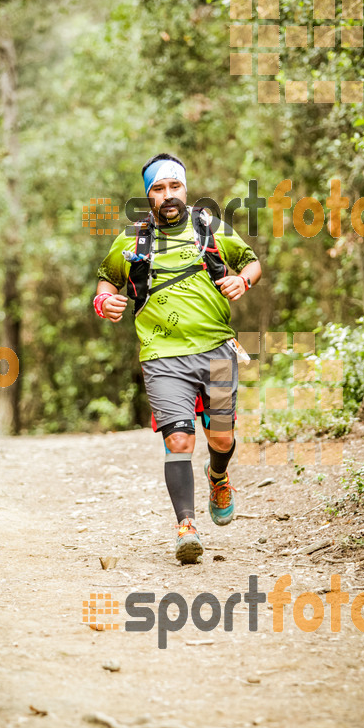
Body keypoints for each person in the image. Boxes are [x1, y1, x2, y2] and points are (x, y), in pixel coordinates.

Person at [94, 153, 261, 563]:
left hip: (218, 348)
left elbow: (251, 263)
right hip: (162, 354)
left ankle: (218, 476)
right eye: (158, 188)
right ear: (148, 195)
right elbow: (107, 281)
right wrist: (103, 302)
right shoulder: (131, 240)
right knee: (180, 438)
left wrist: (243, 280)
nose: (167, 195)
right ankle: (186, 527)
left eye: (174, 186)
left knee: (221, 438)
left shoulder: (212, 229)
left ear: (185, 189)